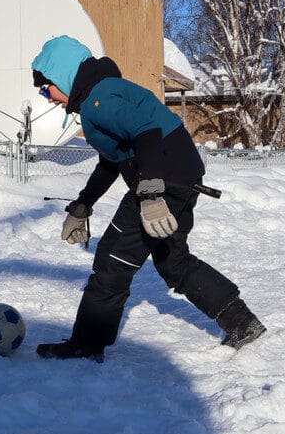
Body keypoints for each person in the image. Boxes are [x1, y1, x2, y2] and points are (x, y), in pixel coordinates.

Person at [30, 35, 265, 362]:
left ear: (63, 75)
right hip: (180, 176)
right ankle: (242, 322)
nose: (48, 97)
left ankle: (87, 343)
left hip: (161, 179)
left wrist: (152, 191)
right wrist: (83, 204)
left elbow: (147, 131)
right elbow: (112, 160)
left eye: (46, 88)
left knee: (112, 261)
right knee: (174, 261)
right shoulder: (104, 93)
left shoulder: (100, 101)